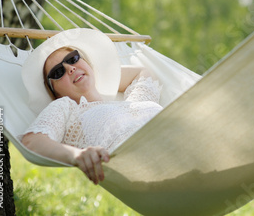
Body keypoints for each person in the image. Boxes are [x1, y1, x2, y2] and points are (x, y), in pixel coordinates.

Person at [20, 28, 164, 185]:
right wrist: (77, 156)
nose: (70, 68)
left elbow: (143, 73)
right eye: (58, 72)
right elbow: (32, 141)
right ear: (55, 92)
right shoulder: (66, 107)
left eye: (73, 58)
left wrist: (97, 72)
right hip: (148, 163)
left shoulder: (131, 104)